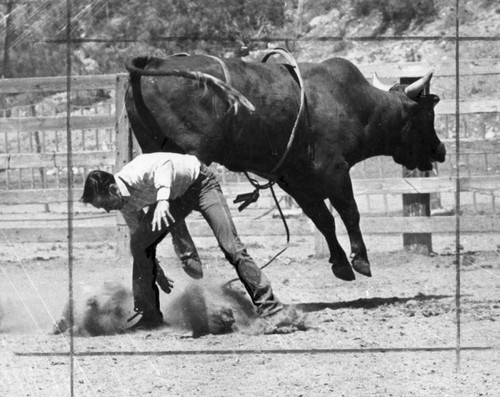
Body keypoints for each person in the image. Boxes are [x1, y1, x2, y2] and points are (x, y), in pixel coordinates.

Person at [81, 152, 284, 329]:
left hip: (201, 184)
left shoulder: (135, 171)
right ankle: (149, 315)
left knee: (231, 246)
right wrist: (156, 271)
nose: (107, 210)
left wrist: (161, 201)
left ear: (112, 190)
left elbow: (165, 165)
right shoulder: (124, 204)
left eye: (104, 204)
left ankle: (271, 308)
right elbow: (139, 239)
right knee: (139, 244)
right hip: (175, 199)